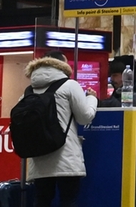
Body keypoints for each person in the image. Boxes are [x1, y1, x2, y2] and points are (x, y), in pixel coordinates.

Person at [25, 51, 98, 207]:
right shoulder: (69, 85)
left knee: (41, 200)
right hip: (65, 157)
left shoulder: (28, 90)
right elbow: (85, 117)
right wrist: (92, 98)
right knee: (68, 200)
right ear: (62, 65)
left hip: (38, 157)